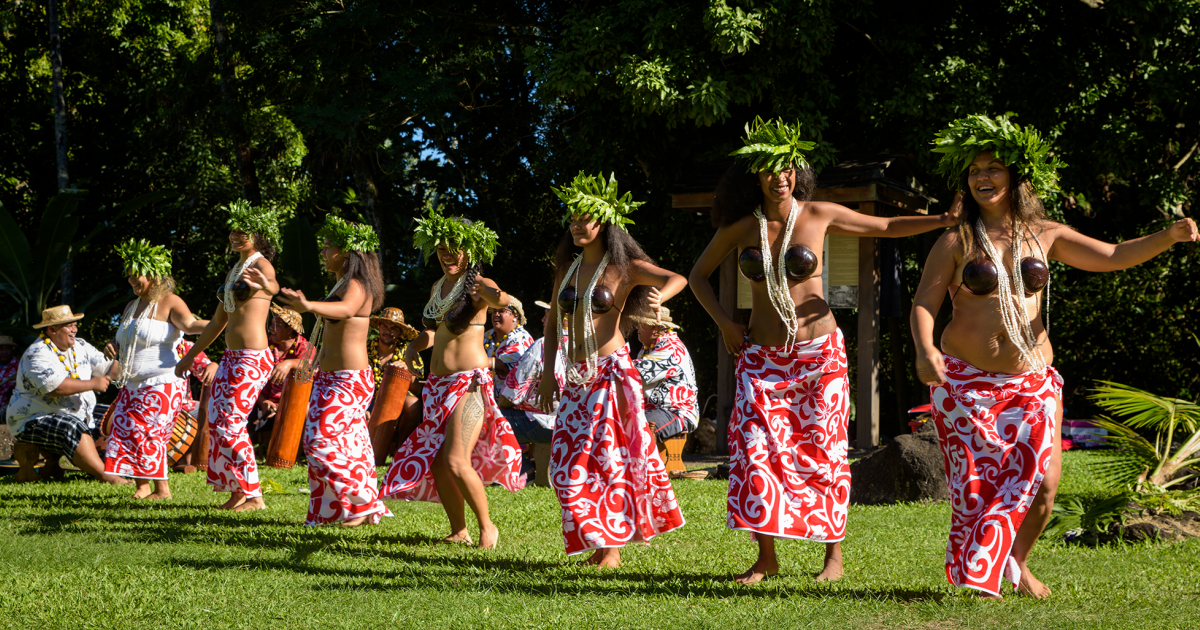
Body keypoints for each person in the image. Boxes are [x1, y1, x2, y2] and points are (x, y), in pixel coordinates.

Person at [911, 114, 1199, 599]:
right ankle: (1000, 569)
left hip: (1032, 380)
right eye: (975, 170)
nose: (983, 177)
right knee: (978, 487)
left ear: (1017, 176)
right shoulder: (956, 240)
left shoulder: (1044, 234)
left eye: (994, 168)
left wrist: (1166, 237)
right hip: (968, 384)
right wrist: (924, 351)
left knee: (1045, 488)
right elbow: (924, 303)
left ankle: (1014, 560)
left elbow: (1110, 256)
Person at [688, 117, 960, 584]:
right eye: (771, 169)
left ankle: (832, 559)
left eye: (789, 168)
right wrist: (727, 324)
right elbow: (697, 277)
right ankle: (766, 557)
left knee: (826, 452)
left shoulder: (819, 214)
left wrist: (944, 220)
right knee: (754, 452)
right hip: (762, 358)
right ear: (754, 175)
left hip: (819, 356)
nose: (781, 177)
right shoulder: (740, 227)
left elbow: (887, 224)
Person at [536, 172, 687, 569]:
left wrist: (660, 297)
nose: (577, 225)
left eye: (586, 218)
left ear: (604, 222)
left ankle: (610, 549)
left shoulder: (624, 267)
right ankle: (601, 540)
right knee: (565, 463)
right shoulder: (565, 270)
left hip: (612, 374)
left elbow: (676, 278)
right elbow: (552, 324)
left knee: (607, 458)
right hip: (575, 375)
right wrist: (547, 372)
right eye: (572, 219)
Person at [381, 207, 524, 549]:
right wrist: (413, 349)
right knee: (439, 462)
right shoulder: (438, 286)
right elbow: (434, 333)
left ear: (470, 249)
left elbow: (502, 299)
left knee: (456, 459)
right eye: (442, 246)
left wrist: (490, 294)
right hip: (437, 386)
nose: (447, 253)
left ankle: (488, 527)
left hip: (468, 384)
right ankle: (459, 530)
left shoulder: (477, 285)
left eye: (454, 246)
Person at [278, 215, 393, 526]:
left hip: (348, 380)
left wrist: (310, 306)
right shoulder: (342, 282)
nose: (323, 252)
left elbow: (345, 311)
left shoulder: (358, 284)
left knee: (320, 442)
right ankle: (337, 510)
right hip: (329, 377)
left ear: (349, 251)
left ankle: (362, 505)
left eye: (328, 247)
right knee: (347, 445)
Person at [175, 200, 286, 511]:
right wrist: (190, 356)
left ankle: (255, 496)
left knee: (231, 422)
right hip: (231, 357)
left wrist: (268, 284)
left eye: (243, 231)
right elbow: (217, 322)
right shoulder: (233, 270)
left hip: (253, 357)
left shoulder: (262, 265)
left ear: (259, 234)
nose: (236, 236)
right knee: (218, 419)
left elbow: (274, 284)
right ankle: (237, 492)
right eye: (233, 231)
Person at [101, 239, 210, 499]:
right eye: (128, 276)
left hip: (163, 381)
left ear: (153, 274)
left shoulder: (170, 301)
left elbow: (191, 324)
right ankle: (142, 486)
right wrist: (113, 344)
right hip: (132, 383)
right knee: (127, 429)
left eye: (135, 275)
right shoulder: (131, 307)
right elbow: (126, 337)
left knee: (150, 432)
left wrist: (224, 321)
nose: (131, 281)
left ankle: (162, 490)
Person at [5, 306, 127, 484]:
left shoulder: (81, 346)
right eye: (69, 325)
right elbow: (55, 388)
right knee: (71, 426)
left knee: (118, 415)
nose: (74, 329)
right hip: (33, 419)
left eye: (75, 325)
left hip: (78, 411)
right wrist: (93, 384)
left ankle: (122, 465)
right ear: (52, 329)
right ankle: (107, 475)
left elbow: (107, 367)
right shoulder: (36, 354)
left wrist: (137, 376)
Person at [497, 299, 566, 483]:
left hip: (544, 422)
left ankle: (524, 469)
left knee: (488, 418)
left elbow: (511, 395)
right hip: (574, 423)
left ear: (561, 318)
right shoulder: (586, 346)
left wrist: (497, 407)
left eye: (547, 315)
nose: (543, 320)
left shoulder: (543, 345)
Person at [630, 307, 697, 440]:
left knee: (638, 427)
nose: (637, 326)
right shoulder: (649, 348)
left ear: (654, 327)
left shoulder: (670, 348)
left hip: (676, 412)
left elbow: (635, 371)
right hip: (656, 410)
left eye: (640, 322)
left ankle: (646, 461)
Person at [248, 303, 309, 440]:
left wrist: (289, 363)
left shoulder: (304, 347)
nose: (271, 328)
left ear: (289, 330)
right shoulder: (264, 345)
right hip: (260, 403)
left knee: (305, 407)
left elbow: (309, 364)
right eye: (272, 323)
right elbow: (251, 377)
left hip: (291, 404)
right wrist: (263, 402)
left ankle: (296, 455)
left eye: (277, 324)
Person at [367, 306, 423, 453]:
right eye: (385, 325)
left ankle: (401, 452)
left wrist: (407, 369)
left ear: (400, 332)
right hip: (368, 399)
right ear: (378, 327)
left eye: (394, 328)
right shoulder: (364, 348)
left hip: (397, 402)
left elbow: (417, 389)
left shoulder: (409, 352)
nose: (388, 330)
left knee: (413, 403)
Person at [483, 298, 533, 379]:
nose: (496, 314)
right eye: (494, 311)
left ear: (515, 316)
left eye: (501, 311)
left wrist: (475, 361)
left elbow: (503, 367)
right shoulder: (488, 335)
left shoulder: (521, 337)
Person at [0, 336, 20, 411]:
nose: (4, 352)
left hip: (12, 410)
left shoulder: (19, 366)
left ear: (12, 350)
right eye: (1, 349)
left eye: (7, 349)